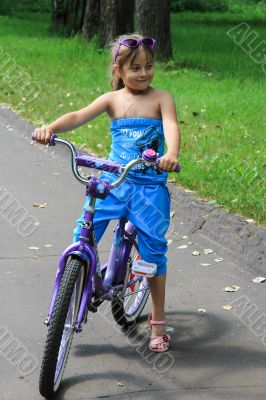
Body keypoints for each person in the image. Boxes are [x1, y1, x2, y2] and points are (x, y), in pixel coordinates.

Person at [34, 33, 181, 353]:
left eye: (149, 66)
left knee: (154, 250)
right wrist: (51, 129)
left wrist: (171, 153)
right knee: (83, 231)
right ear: (119, 69)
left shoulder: (161, 98)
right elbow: (77, 115)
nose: (144, 73)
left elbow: (171, 125)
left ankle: (158, 318)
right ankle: (79, 284)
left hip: (147, 185)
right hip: (114, 182)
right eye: (135, 68)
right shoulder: (111, 100)